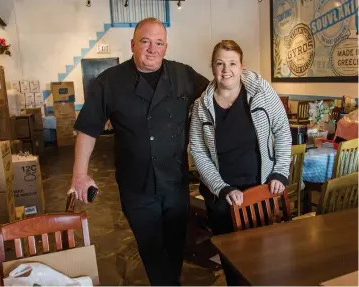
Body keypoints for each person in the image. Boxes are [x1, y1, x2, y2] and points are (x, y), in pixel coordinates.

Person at [71, 17, 209, 285]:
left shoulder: (184, 75)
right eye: (145, 41)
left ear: (166, 48)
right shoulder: (110, 81)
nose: (152, 48)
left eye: (159, 43)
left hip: (175, 182)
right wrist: (79, 174)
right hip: (137, 185)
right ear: (133, 44)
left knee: (175, 245)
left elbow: (217, 97)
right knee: (151, 247)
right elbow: (88, 128)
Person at [189, 40, 291, 285]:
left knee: (266, 258)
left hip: (259, 191)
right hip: (223, 197)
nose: (227, 70)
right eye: (220, 63)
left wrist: (279, 172)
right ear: (212, 67)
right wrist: (222, 188)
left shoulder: (261, 91)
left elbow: (283, 131)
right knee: (232, 261)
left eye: (232, 63)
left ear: (241, 65)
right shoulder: (201, 106)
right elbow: (199, 153)